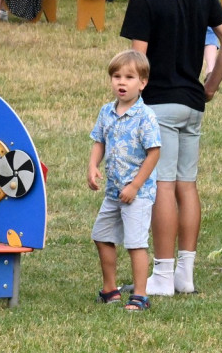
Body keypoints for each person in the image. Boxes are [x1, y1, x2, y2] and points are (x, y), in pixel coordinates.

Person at [120, 0, 222, 297]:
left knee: (162, 187)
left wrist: (126, 107)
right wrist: (211, 84)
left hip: (158, 106)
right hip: (192, 102)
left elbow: (138, 64)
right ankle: (185, 272)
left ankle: (163, 274)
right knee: (187, 186)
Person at [88, 50, 161, 311]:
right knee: (101, 235)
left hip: (137, 194)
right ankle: (110, 289)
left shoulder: (145, 117)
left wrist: (135, 186)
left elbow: (154, 153)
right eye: (116, 76)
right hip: (113, 191)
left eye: (129, 77)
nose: (121, 82)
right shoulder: (106, 112)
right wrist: (93, 166)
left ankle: (140, 295)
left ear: (142, 83)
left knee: (135, 243)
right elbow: (99, 141)